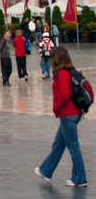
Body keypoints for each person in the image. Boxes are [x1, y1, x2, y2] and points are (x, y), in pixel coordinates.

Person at [35, 46, 88, 187]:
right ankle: (46, 170)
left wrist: (56, 107)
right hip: (73, 113)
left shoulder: (63, 74)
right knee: (59, 143)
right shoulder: (70, 72)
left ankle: (80, 178)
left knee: (73, 146)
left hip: (68, 114)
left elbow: (64, 94)